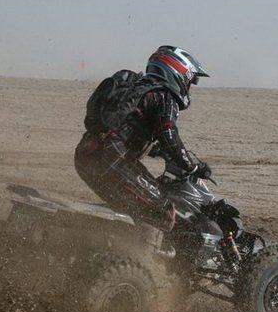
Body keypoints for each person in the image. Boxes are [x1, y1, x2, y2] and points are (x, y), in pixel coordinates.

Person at [74, 46, 211, 231]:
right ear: (178, 73)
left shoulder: (135, 88)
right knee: (163, 211)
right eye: (190, 82)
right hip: (114, 160)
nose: (189, 87)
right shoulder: (165, 96)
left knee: (131, 207)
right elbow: (169, 135)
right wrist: (192, 166)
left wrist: (158, 151)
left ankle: (98, 241)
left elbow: (127, 129)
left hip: (85, 155)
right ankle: (139, 251)